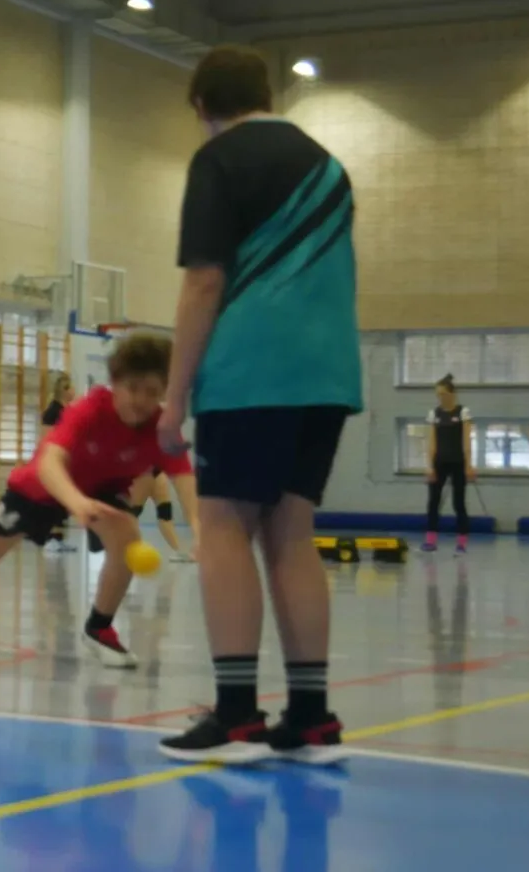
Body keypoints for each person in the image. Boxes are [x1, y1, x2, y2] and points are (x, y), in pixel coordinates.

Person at [157, 45, 362, 766]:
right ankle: (310, 717)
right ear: (266, 94)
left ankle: (238, 715)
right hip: (327, 373)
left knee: (222, 527)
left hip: (251, 371)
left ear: (202, 105)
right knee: (292, 536)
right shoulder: (329, 168)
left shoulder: (219, 160)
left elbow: (204, 283)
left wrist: (174, 398)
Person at [0, 332, 197, 669]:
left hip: (101, 488)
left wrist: (201, 531)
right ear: (115, 383)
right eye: (133, 388)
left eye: (152, 392)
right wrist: (76, 502)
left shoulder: (162, 428)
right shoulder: (88, 410)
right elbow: (50, 463)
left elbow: (185, 480)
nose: (141, 400)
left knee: (127, 535)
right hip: (42, 486)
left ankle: (99, 628)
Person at [424, 374, 473, 554]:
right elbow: (431, 443)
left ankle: (461, 542)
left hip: (458, 462)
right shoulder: (434, 414)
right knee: (433, 502)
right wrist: (429, 466)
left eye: (443, 394)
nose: (440, 398)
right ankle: (430, 540)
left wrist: (469, 465)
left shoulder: (463, 412)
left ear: (452, 394)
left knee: (458, 503)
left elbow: (466, 441)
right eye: (438, 394)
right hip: (439, 463)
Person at [41, 374, 77, 553]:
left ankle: (59, 539)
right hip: (56, 462)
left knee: (64, 502)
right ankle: (50, 539)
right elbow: (48, 439)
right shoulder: (53, 411)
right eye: (71, 387)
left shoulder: (68, 411)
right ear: (64, 390)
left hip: (67, 461)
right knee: (54, 500)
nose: (74, 390)